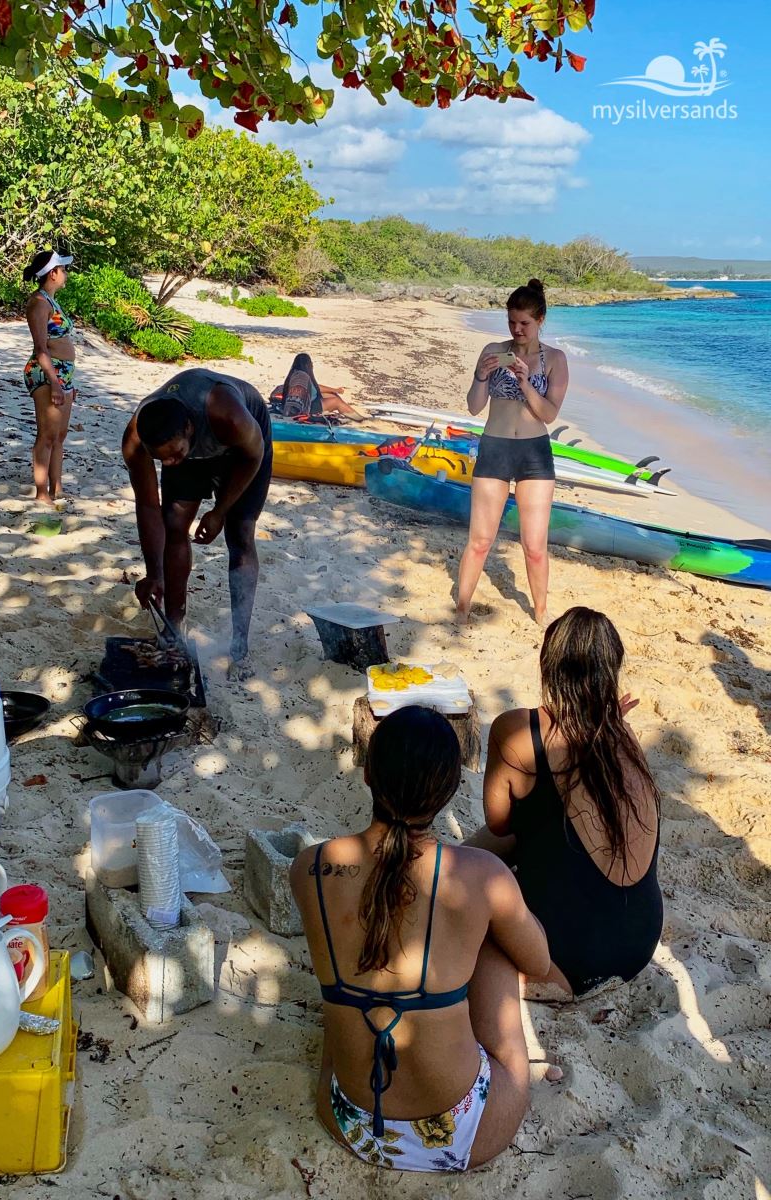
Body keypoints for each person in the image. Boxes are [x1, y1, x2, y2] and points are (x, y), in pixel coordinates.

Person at [290, 706, 550, 1173]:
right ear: (450, 790)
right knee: (495, 939)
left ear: (368, 773)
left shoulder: (309, 868)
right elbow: (539, 960)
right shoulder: (481, 875)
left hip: (350, 1119)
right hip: (463, 1132)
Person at [469, 608, 663, 999]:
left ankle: (425, 873)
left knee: (475, 872)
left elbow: (500, 824)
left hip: (566, 957)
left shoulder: (518, 730)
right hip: (640, 942)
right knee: (543, 826)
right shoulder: (624, 734)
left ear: (547, 664)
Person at [121, 368, 272, 679]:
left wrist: (220, 510)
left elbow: (253, 456)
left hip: (243, 450)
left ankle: (239, 647)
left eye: (173, 455)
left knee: (240, 534)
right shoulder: (138, 439)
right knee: (175, 523)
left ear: (189, 428)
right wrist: (154, 573)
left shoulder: (229, 416)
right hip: (192, 448)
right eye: (162, 459)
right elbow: (148, 505)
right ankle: (174, 626)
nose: (169, 464)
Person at [454, 279, 569, 626]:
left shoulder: (556, 360)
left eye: (525, 324)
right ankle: (461, 609)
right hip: (495, 447)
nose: (517, 330)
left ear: (541, 320)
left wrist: (523, 381)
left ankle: (541, 613)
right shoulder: (493, 349)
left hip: (534, 452)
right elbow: (475, 407)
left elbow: (548, 414)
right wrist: (480, 375)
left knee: (534, 546)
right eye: (512, 322)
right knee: (480, 540)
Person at [22, 249, 77, 506]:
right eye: (63, 270)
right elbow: (40, 348)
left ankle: (57, 488)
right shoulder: (38, 303)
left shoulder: (52, 301)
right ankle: (41, 492)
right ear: (53, 273)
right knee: (46, 434)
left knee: (60, 434)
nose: (65, 274)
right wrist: (54, 381)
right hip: (47, 372)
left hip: (64, 372)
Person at [271, 353, 363, 421]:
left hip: (311, 399)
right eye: (311, 363)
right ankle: (360, 419)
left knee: (333, 395)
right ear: (307, 365)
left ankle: (349, 412)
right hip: (309, 406)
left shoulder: (297, 373)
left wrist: (335, 390)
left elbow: (317, 387)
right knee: (337, 401)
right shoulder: (302, 376)